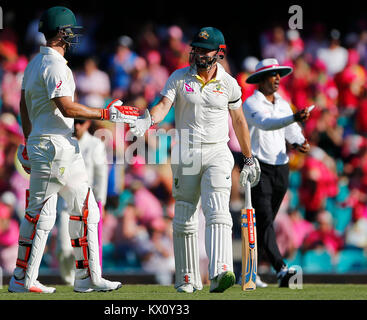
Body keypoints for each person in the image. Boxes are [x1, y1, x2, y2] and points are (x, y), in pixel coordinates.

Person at [8, 6, 139, 294]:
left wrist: (30, 141)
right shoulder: (56, 66)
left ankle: (86, 277)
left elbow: (23, 106)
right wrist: (105, 113)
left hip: (55, 144)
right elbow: (66, 107)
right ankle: (22, 278)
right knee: (43, 214)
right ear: (61, 33)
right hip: (56, 146)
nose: (74, 36)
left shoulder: (33, 64)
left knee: (85, 210)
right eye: (70, 31)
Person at [130, 27, 260, 293]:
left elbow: (238, 121)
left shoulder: (229, 83)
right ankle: (187, 278)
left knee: (217, 208)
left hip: (217, 151)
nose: (199, 54)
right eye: (196, 49)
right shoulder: (178, 77)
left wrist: (248, 158)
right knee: (185, 215)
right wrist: (148, 119)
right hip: (186, 152)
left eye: (205, 50)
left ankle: (221, 271)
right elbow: (164, 105)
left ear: (219, 53)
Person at [242, 58, 311, 287]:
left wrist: (299, 141)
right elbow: (266, 123)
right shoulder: (251, 103)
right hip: (259, 167)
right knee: (265, 219)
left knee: (266, 221)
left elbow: (290, 129)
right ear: (261, 79)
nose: (278, 78)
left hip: (281, 167)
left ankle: (251, 272)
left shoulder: (283, 102)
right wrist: (293, 117)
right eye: (273, 75)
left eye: (279, 74)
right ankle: (281, 269)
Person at [57, 119, 109, 285]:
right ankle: (69, 281)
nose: (77, 125)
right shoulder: (64, 141)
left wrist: (102, 202)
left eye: (80, 122)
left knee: (87, 245)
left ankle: (84, 278)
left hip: (88, 202)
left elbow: (101, 175)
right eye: (74, 122)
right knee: (64, 248)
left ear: (87, 124)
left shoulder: (95, 144)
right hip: (65, 203)